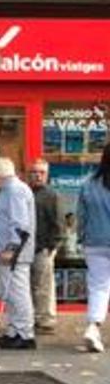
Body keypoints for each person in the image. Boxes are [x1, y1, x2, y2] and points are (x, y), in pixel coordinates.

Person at [0, 158, 37, 350]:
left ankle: (24, 333)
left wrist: (12, 248)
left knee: (17, 292)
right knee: (9, 293)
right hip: (6, 254)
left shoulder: (15, 191)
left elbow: (20, 223)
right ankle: (14, 330)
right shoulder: (8, 191)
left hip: (14, 255)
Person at [78, 144, 110, 353]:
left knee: (99, 286)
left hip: (95, 241)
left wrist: (82, 237)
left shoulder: (89, 183)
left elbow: (81, 215)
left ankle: (93, 326)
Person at [27, 158, 63, 334]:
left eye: (42, 172)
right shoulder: (25, 192)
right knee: (29, 285)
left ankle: (46, 319)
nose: (38, 176)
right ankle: (32, 317)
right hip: (26, 247)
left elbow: (58, 222)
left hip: (44, 247)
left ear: (47, 175)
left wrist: (53, 246)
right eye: (34, 172)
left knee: (44, 285)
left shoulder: (52, 195)